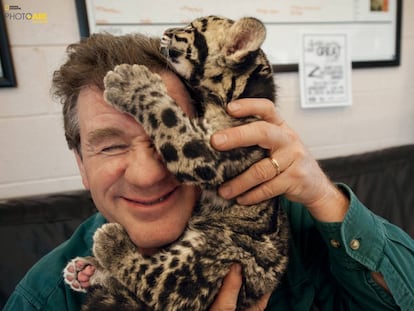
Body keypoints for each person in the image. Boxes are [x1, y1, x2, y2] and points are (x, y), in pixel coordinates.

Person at [4, 32, 414, 311]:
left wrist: (325, 196)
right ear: (81, 165)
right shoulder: (46, 296)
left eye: (165, 134)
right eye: (111, 146)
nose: (147, 175)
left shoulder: (285, 222)